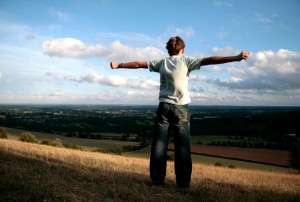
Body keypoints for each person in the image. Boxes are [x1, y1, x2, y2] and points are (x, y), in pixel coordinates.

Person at [110, 36, 249, 190]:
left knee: (159, 145)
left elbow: (139, 64)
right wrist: (235, 58)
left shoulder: (161, 62)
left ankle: (157, 182)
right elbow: (210, 60)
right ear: (183, 49)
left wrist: (119, 65)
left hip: (163, 107)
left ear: (168, 50)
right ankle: (182, 185)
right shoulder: (186, 61)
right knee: (182, 147)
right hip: (181, 108)